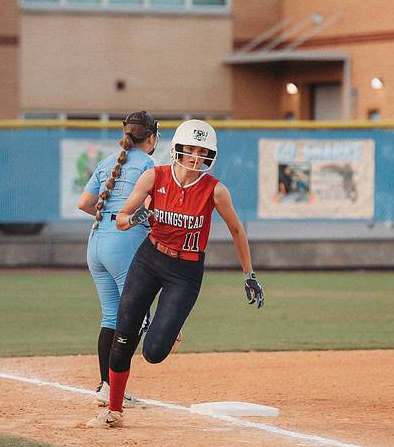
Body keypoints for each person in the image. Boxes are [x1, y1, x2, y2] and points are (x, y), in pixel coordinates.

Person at [85, 119, 264, 428]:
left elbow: (236, 230)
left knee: (153, 352)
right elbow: (122, 220)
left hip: (186, 271)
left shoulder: (215, 190)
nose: (195, 157)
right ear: (178, 148)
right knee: (124, 334)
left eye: (203, 152)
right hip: (149, 258)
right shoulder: (154, 176)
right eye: (191, 149)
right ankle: (113, 409)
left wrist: (249, 274)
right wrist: (144, 213)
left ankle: (169, 328)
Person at [77, 111, 159, 408]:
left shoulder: (107, 161)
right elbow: (149, 208)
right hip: (123, 244)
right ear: (151, 138)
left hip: (96, 240)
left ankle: (105, 386)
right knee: (135, 316)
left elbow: (84, 203)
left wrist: (111, 219)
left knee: (111, 317)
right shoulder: (148, 163)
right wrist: (140, 221)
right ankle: (113, 390)